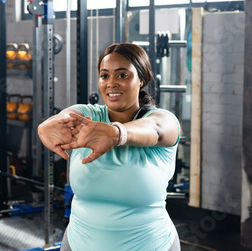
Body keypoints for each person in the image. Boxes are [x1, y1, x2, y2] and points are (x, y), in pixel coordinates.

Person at [38, 43, 181, 251]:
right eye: (105, 76)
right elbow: (63, 117)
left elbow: (156, 129)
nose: (111, 83)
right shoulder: (88, 116)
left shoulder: (162, 119)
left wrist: (116, 133)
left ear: (141, 79)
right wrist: (46, 126)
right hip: (78, 244)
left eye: (122, 75)